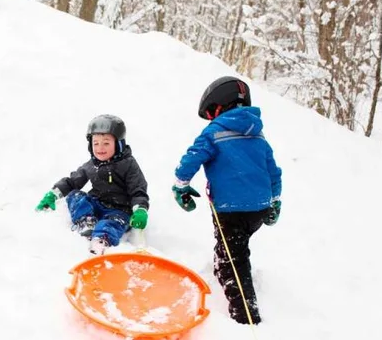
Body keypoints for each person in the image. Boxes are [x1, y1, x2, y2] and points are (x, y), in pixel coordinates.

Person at [172, 76, 283, 324]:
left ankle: (246, 315)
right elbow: (273, 170)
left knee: (234, 259)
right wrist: (275, 200)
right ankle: (221, 268)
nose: (211, 118)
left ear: (220, 105)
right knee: (233, 247)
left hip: (230, 207)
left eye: (211, 113)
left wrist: (181, 185)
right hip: (259, 208)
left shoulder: (214, 131)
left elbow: (191, 158)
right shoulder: (258, 134)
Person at [35, 114, 150, 252]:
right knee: (75, 196)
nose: (100, 148)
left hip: (119, 211)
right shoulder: (91, 165)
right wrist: (54, 194)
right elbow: (72, 181)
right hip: (97, 203)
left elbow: (138, 190)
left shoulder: (128, 165)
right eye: (96, 143)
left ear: (119, 144)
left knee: (110, 224)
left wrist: (140, 209)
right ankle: (86, 221)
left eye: (106, 143)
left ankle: (101, 241)